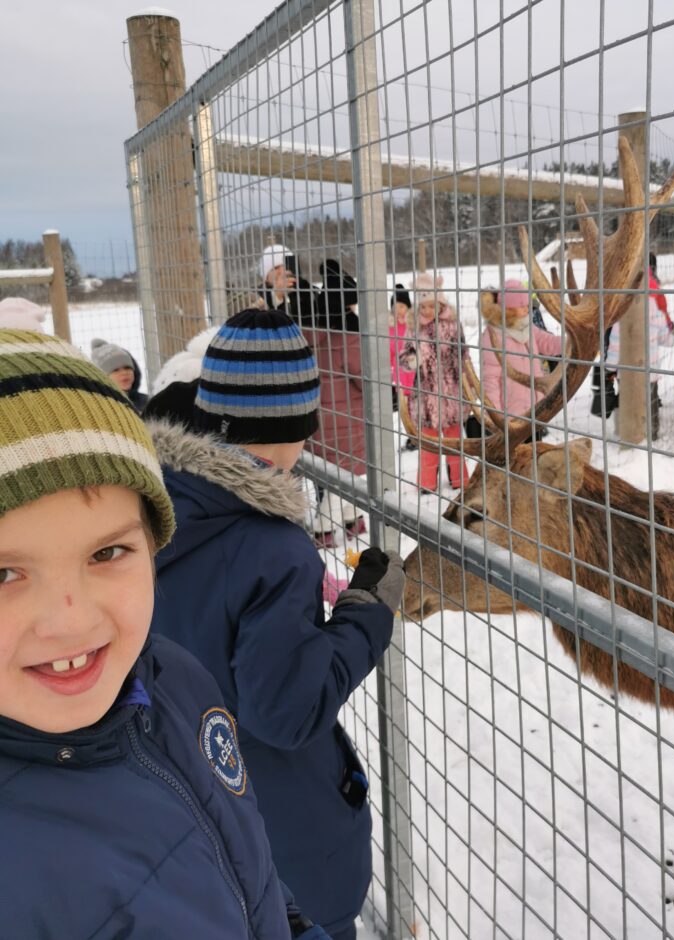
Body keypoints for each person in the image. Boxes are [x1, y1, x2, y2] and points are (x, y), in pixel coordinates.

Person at [0, 328, 328, 939]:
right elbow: (287, 708)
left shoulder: (172, 678)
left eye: (108, 553)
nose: (71, 619)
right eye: (4, 572)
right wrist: (365, 619)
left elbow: (240, 861)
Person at [148, 308, 403, 940]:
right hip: (287, 849)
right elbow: (286, 711)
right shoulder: (274, 549)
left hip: (186, 817)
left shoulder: (151, 507)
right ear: (292, 429)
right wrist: (365, 613)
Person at [306, 259, 367, 546]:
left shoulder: (309, 335)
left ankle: (353, 520)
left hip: (318, 422)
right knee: (342, 480)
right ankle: (325, 530)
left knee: (330, 476)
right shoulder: (350, 336)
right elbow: (364, 378)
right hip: (348, 423)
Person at [600, 252, 674, 439]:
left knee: (628, 402)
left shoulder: (622, 313)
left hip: (627, 373)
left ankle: (629, 434)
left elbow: (615, 345)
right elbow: (664, 335)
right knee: (651, 403)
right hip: (651, 372)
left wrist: (609, 368)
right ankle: (652, 434)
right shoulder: (655, 310)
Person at [401, 272, 471, 492]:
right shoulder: (413, 328)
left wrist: (469, 384)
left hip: (451, 392)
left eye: (432, 306)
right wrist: (411, 360)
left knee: (455, 442)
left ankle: (460, 479)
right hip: (425, 395)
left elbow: (464, 355)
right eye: (423, 307)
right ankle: (427, 482)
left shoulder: (452, 325)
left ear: (440, 304)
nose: (427, 311)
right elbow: (403, 356)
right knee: (429, 444)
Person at [481, 279, 563, 439]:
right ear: (509, 309)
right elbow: (490, 380)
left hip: (535, 409)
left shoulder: (527, 327)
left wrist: (568, 343)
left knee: (534, 453)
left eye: (527, 306)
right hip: (511, 416)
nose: (527, 310)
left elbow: (547, 342)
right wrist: (496, 417)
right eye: (522, 307)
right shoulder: (493, 336)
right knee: (518, 460)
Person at [260, 243, 317, 329]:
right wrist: (276, 296)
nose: (282, 271)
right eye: (275, 268)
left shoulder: (303, 286)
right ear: (266, 277)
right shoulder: (257, 295)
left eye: (285, 266)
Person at [90, 337, 149, 414]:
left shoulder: (146, 402)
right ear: (102, 377)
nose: (124, 373)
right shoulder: (99, 408)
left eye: (127, 367)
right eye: (115, 370)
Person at [389, 283, 415, 414]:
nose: (398, 310)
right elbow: (388, 354)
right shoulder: (389, 328)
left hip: (416, 378)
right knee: (406, 417)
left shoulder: (413, 326)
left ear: (408, 307)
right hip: (399, 380)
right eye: (395, 306)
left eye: (402, 306)